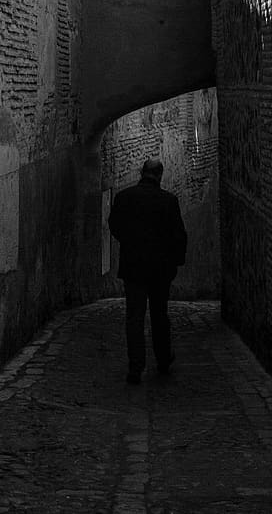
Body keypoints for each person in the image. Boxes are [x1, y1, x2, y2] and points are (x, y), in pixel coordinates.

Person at [108, 156, 188, 384]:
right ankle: (163, 359)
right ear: (160, 176)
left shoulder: (125, 198)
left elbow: (114, 225)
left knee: (134, 316)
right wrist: (175, 263)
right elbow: (179, 235)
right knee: (159, 315)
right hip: (160, 269)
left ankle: (136, 366)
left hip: (133, 267)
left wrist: (128, 242)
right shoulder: (168, 201)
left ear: (141, 173)